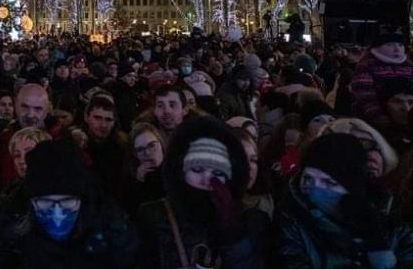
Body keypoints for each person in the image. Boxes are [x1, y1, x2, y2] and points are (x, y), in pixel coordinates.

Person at [0, 139, 139, 269]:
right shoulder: (9, 233)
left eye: (67, 202)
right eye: (45, 202)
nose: (57, 214)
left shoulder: (112, 235)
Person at [136, 116, 260, 269]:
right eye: (197, 169)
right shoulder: (154, 216)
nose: (206, 179)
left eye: (217, 171)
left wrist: (232, 233)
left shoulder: (249, 218)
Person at [276, 132, 413, 267]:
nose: (314, 189)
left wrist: (375, 244)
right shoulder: (293, 220)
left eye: (329, 182)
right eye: (308, 179)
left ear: (353, 186)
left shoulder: (393, 221)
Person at [350, 32, 412, 129]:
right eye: (390, 45)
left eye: (400, 45)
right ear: (378, 47)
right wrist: (376, 114)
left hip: (406, 114)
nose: (397, 49)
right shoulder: (367, 64)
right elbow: (364, 92)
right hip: (375, 119)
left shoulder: (408, 64)